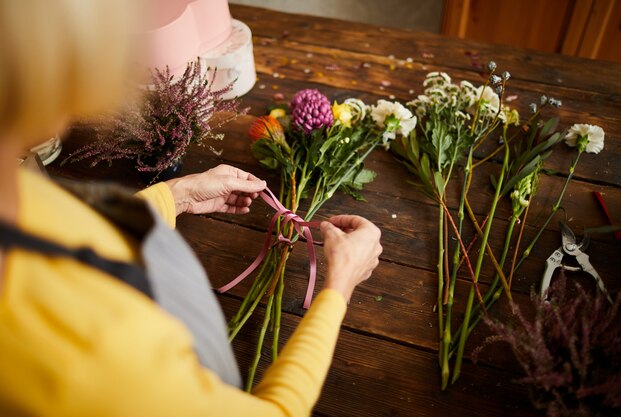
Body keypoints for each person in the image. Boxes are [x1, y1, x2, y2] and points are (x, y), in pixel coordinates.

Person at [0, 1, 382, 416]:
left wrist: (176, 194)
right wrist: (339, 286)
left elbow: (71, 232)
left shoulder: (15, 180)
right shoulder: (86, 358)